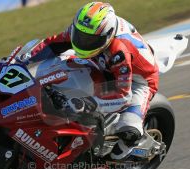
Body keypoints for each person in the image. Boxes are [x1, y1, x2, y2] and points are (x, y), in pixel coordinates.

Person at [30, 2, 159, 160]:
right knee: (57, 74)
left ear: (108, 34)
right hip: (101, 63)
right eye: (80, 36)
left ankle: (131, 143)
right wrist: (23, 59)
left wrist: (88, 103)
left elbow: (122, 96)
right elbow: (52, 44)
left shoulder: (119, 51)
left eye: (89, 39)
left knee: (129, 127)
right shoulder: (84, 28)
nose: (83, 42)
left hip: (139, 81)